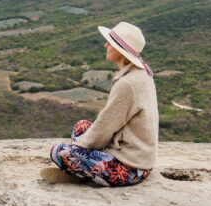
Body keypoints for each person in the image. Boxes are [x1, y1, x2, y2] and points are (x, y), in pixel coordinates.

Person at [41, 21, 158, 187]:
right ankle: (83, 171)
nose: (105, 45)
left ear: (120, 49)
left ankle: (80, 173)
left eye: (109, 43)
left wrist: (77, 150)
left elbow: (105, 126)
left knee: (58, 151)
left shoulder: (127, 84)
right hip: (141, 160)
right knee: (81, 126)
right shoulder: (141, 74)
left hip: (130, 168)